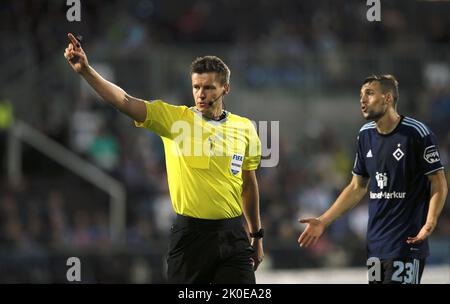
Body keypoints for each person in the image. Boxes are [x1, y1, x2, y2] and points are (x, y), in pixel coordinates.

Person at [64, 33, 264, 283]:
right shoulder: (175, 119)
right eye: (196, 87)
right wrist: (86, 72)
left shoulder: (245, 128)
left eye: (208, 87)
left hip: (233, 234)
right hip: (191, 236)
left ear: (226, 88)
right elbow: (125, 101)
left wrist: (256, 235)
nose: (200, 94)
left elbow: (248, 184)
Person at [298, 75, 447, 284]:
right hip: (377, 244)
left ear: (387, 98)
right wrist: (324, 220)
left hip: (407, 242)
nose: (362, 100)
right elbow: (357, 187)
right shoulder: (365, 135)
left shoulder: (416, 133)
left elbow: (438, 181)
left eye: (369, 93)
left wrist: (430, 220)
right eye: (361, 95)